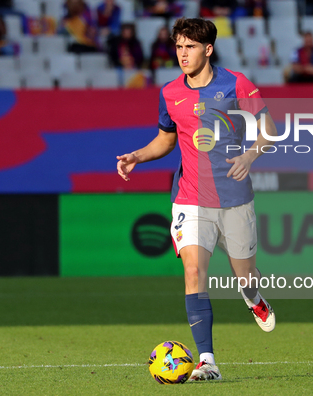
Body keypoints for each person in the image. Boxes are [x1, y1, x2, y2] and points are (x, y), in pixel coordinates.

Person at [116, 17, 276, 381]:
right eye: (178, 46)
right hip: (190, 197)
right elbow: (166, 140)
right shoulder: (170, 92)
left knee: (245, 277)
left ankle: (254, 300)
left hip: (235, 197)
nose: (182, 54)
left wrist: (250, 156)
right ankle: (208, 361)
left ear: (208, 49)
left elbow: (269, 130)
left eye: (189, 47)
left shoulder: (236, 84)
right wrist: (137, 156)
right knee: (193, 272)